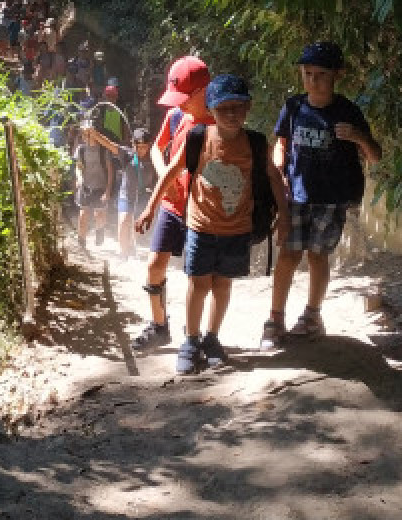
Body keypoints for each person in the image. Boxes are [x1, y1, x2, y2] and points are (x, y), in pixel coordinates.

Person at [140, 75, 289, 374]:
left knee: (222, 284)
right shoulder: (199, 137)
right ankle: (191, 341)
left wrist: (284, 216)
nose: (231, 114)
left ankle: (212, 339)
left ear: (248, 108)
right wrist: (150, 207)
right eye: (224, 109)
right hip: (200, 226)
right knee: (198, 284)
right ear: (212, 109)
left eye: (238, 107)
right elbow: (172, 170)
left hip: (237, 229)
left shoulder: (255, 144)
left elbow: (273, 177)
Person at [260, 42, 382, 350]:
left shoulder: (347, 110)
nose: (313, 80)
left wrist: (358, 137)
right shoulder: (293, 107)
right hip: (295, 196)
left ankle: (312, 316)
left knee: (318, 255)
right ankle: (275, 319)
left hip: (332, 197)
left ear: (337, 75)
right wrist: (278, 171)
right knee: (288, 255)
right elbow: (281, 144)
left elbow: (375, 156)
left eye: (320, 74)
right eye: (307, 73)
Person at [129, 56, 213, 348]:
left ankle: (195, 333)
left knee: (197, 275)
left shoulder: (218, 123)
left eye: (184, 97)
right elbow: (156, 148)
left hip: (201, 210)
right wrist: (165, 176)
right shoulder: (177, 116)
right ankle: (159, 325)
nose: (179, 103)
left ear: (204, 90)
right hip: (171, 204)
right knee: (154, 266)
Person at [85, 126, 155, 259]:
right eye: (138, 146)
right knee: (123, 222)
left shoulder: (154, 158)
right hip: (126, 196)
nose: (141, 150)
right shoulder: (127, 154)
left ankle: (132, 245)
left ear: (149, 146)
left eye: (144, 146)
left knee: (137, 226)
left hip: (142, 197)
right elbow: (110, 145)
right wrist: (95, 134)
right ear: (133, 144)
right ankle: (124, 254)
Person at [74, 121, 116, 249]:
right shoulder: (81, 150)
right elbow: (78, 167)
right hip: (86, 186)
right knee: (83, 214)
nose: (86, 137)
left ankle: (100, 231)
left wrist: (108, 190)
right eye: (84, 134)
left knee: (99, 214)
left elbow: (110, 171)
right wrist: (79, 178)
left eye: (89, 133)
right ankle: (81, 241)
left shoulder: (104, 150)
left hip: (101, 186)